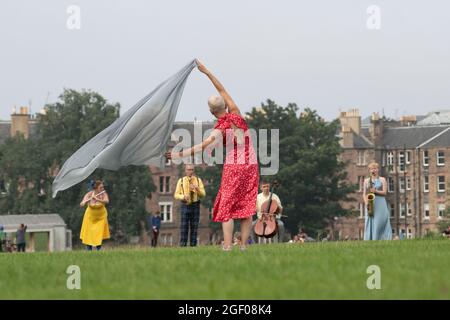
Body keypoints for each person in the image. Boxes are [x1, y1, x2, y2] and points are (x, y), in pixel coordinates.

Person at [166, 60, 259, 251]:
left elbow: (203, 146)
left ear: (211, 111)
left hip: (234, 165)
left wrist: (179, 153)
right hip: (251, 163)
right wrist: (207, 72)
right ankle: (243, 246)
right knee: (246, 205)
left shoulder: (219, 128)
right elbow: (222, 89)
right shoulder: (236, 113)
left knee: (227, 207)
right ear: (224, 105)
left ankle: (227, 246)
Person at [174, 164, 206, 246]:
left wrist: (197, 189)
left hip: (195, 205)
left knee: (194, 227)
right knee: (184, 227)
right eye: (188, 169)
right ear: (185, 170)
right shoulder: (181, 181)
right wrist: (183, 196)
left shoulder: (198, 180)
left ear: (193, 171)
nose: (190, 171)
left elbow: (203, 194)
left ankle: (193, 246)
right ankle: (183, 245)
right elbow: (176, 195)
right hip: (185, 204)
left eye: (191, 169)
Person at [363, 162, 392, 240]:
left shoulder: (382, 179)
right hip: (370, 203)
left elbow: (385, 192)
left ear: (378, 170)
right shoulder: (366, 181)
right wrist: (366, 203)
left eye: (375, 168)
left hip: (380, 203)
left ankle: (383, 238)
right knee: (371, 220)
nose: (374, 170)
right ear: (369, 170)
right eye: (372, 169)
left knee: (380, 221)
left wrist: (376, 191)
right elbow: (364, 194)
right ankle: (370, 239)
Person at [80, 180, 110, 251]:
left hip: (101, 217)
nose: (102, 189)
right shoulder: (90, 194)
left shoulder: (104, 194)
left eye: (103, 187)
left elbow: (107, 201)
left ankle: (98, 249)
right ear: (95, 188)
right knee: (89, 232)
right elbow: (82, 203)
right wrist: (85, 201)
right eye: (101, 188)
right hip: (90, 217)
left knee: (98, 232)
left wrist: (98, 199)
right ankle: (88, 249)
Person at [253, 180, 284, 244]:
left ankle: (280, 243)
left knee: (281, 225)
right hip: (261, 218)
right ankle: (254, 243)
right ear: (261, 188)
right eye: (264, 187)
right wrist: (257, 209)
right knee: (252, 225)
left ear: (269, 187)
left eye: (267, 186)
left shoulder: (275, 196)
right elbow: (254, 208)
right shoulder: (257, 197)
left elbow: (281, 210)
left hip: (273, 218)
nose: (266, 188)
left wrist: (278, 208)